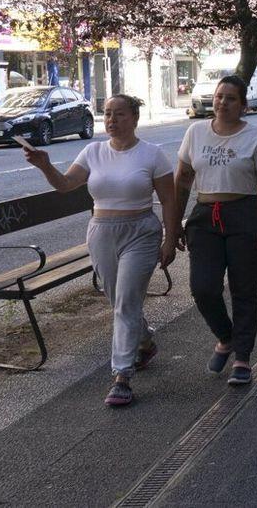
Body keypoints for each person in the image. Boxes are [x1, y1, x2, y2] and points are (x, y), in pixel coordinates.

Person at [24, 95, 178, 406]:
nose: (111, 120)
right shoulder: (93, 151)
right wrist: (44, 165)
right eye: (107, 114)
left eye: (119, 114)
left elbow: (170, 200)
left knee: (125, 302)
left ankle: (122, 376)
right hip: (101, 232)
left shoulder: (152, 154)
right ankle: (145, 341)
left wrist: (170, 238)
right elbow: (66, 184)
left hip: (141, 232)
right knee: (120, 301)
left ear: (134, 118)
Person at [175, 75, 257, 386]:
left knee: (244, 290)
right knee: (203, 287)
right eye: (219, 96)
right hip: (205, 217)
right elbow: (182, 180)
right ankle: (226, 337)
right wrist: (174, 223)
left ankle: (243, 358)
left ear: (243, 105)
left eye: (231, 98)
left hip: (243, 214)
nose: (222, 102)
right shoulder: (195, 132)